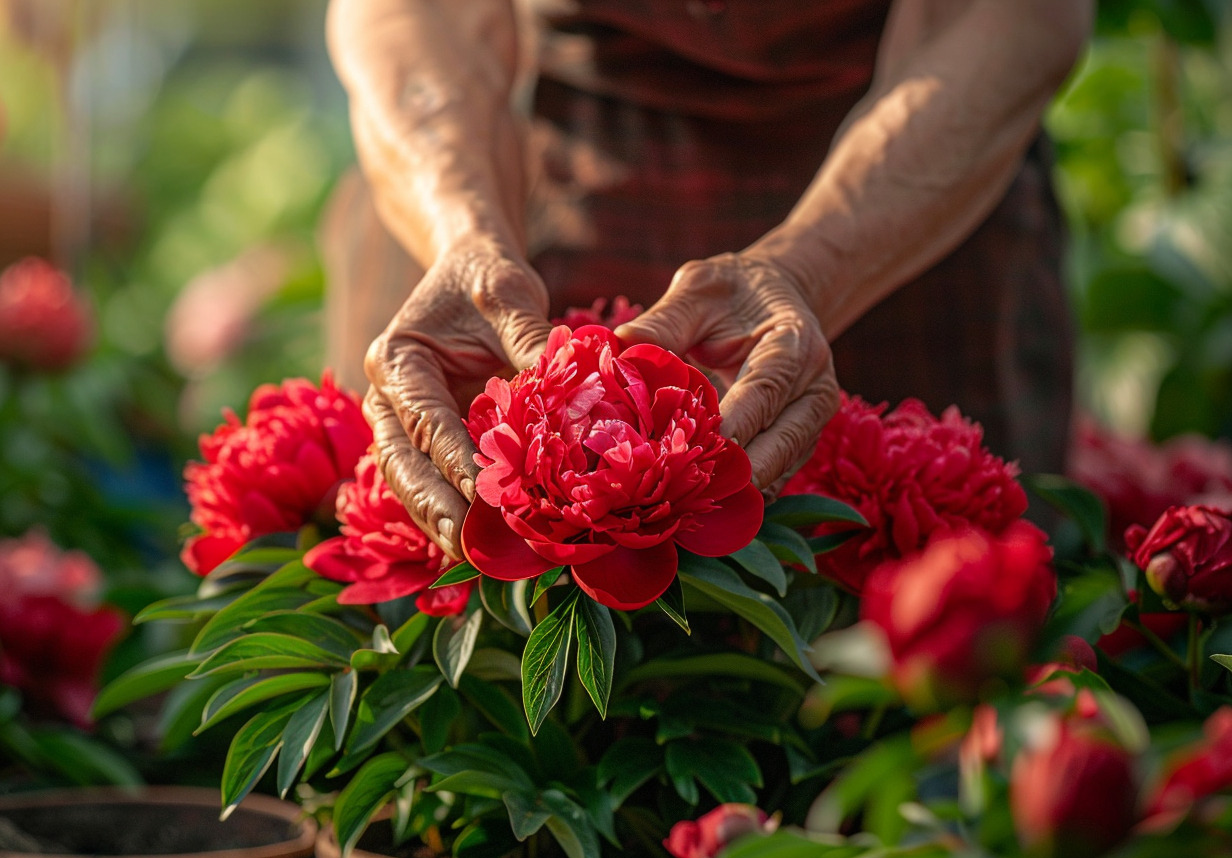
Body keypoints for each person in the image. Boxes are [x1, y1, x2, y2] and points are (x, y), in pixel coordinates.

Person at [322, 0, 1095, 560]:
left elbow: (1013, 15)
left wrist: (814, 266)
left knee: (906, 692)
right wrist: (464, 231)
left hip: (911, 185)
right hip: (510, 161)